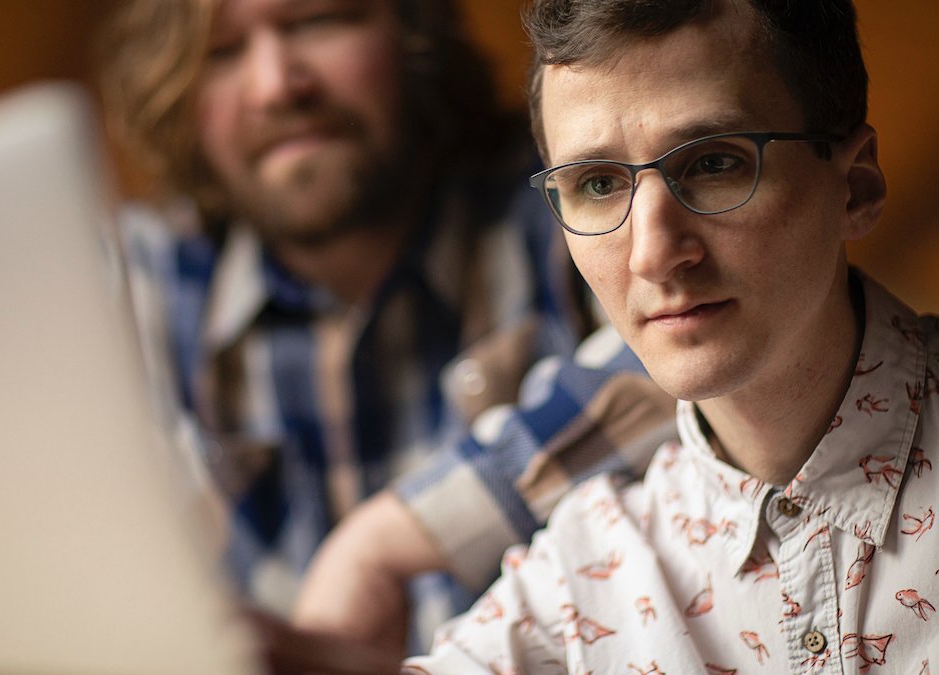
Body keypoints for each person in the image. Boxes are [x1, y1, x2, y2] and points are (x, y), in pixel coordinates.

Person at [92, 0, 666, 651]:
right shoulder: (131, 289)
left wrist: (387, 542)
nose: (277, 85)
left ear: (412, 31)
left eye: (316, 21)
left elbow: (701, 368)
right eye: (221, 54)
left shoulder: (572, 192)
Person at [396, 0, 939, 670]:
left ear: (854, 186)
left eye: (713, 163)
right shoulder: (574, 584)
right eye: (597, 183)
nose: (653, 253)